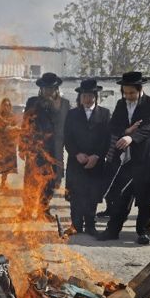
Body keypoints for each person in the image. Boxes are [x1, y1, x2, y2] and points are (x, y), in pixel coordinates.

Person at [97, 71, 150, 244]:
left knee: (144, 196)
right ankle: (112, 230)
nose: (128, 96)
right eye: (125, 92)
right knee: (119, 195)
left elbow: (149, 127)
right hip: (125, 158)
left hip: (144, 157)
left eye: (132, 93)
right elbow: (114, 125)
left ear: (140, 90)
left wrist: (132, 137)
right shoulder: (120, 103)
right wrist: (125, 132)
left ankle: (143, 232)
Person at [19, 72, 70, 221]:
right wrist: (22, 147)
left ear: (56, 89)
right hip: (35, 149)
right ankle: (27, 210)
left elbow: (68, 127)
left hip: (55, 150)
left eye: (52, 88)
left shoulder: (65, 104)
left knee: (50, 182)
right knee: (31, 181)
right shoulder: (32, 102)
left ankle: (44, 210)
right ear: (41, 89)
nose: (49, 91)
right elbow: (25, 124)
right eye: (46, 88)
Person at [63, 79, 111, 235]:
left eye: (90, 95)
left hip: (95, 161)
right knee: (76, 193)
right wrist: (76, 153)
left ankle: (90, 225)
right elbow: (67, 137)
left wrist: (96, 156)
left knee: (92, 193)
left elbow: (106, 139)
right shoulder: (72, 114)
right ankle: (76, 224)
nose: (87, 99)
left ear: (95, 96)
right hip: (76, 161)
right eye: (84, 96)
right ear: (80, 97)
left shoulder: (104, 114)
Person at [0, 97, 19, 191]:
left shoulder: (12, 116)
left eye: (8, 105)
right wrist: (2, 129)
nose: (6, 106)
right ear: (2, 105)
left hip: (9, 144)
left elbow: (16, 128)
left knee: (7, 165)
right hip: (0, 144)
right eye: (4, 105)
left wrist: (12, 130)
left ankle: (3, 184)